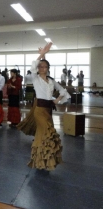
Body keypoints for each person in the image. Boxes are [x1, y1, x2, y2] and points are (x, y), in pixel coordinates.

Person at [28, 42, 69, 171]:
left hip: (48, 110)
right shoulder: (35, 78)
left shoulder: (51, 81)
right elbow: (32, 67)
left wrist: (57, 100)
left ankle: (41, 160)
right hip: (39, 110)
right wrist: (41, 55)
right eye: (40, 66)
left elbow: (63, 91)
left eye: (45, 67)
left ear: (48, 68)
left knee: (42, 135)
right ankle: (41, 160)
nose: (42, 68)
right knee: (47, 132)